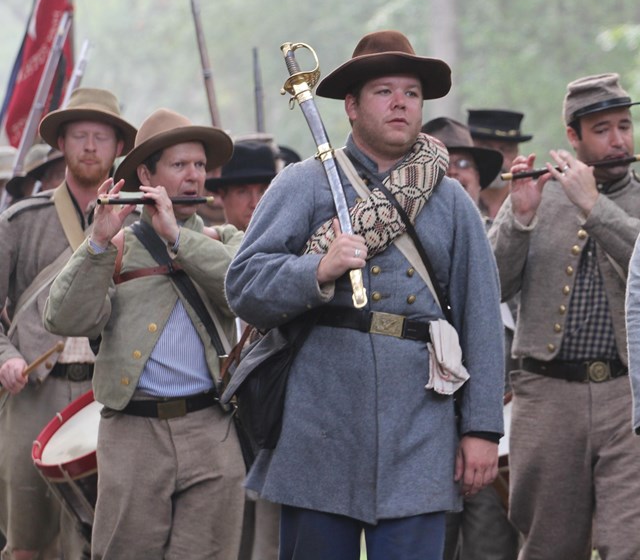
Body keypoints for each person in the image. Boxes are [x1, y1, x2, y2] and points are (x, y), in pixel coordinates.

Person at [225, 29, 505, 560]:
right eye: (384, 91)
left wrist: (482, 429)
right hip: (319, 425)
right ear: (351, 106)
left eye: (412, 93)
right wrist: (317, 269)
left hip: (420, 425)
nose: (401, 102)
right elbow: (244, 286)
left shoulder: (451, 203)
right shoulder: (302, 184)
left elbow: (481, 322)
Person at [44, 107, 246, 559]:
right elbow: (62, 318)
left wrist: (178, 238)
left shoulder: (223, 238)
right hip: (134, 433)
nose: (194, 176)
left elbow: (244, 292)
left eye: (199, 165)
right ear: (145, 174)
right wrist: (96, 246)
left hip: (210, 428)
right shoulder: (115, 246)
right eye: (179, 165)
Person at [489, 72, 640, 559]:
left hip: (628, 396)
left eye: (624, 125)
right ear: (573, 137)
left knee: (630, 542)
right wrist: (521, 218)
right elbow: (491, 284)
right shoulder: (540, 193)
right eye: (602, 129)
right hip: (547, 396)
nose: (618, 140)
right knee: (548, 544)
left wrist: (594, 206)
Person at [0, 87, 136, 560]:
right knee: (27, 540)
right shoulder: (21, 222)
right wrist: (7, 357)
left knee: (98, 538)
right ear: (62, 143)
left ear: (119, 147)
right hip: (35, 391)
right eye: (80, 135)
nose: (91, 146)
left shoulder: (136, 223)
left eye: (102, 136)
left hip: (106, 395)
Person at [423, 117, 519, 560]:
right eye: (442, 163)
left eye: (464, 163)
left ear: (480, 178)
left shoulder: (513, 236)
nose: (456, 173)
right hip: (424, 433)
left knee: (491, 549)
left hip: (497, 435)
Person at [207, 139, 280, 560]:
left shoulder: (297, 251)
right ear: (223, 198)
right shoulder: (204, 253)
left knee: (270, 547)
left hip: (272, 425)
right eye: (242, 192)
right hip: (218, 430)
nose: (254, 202)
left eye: (263, 190)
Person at [468, 109, 532, 221]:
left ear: (517, 153)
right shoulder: (454, 201)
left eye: (506, 149)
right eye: (486, 148)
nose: (497, 159)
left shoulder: (533, 201)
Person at [206, 140, 278, 232]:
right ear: (223, 194)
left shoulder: (292, 244)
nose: (255, 204)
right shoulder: (207, 245)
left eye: (263, 191)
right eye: (242, 191)